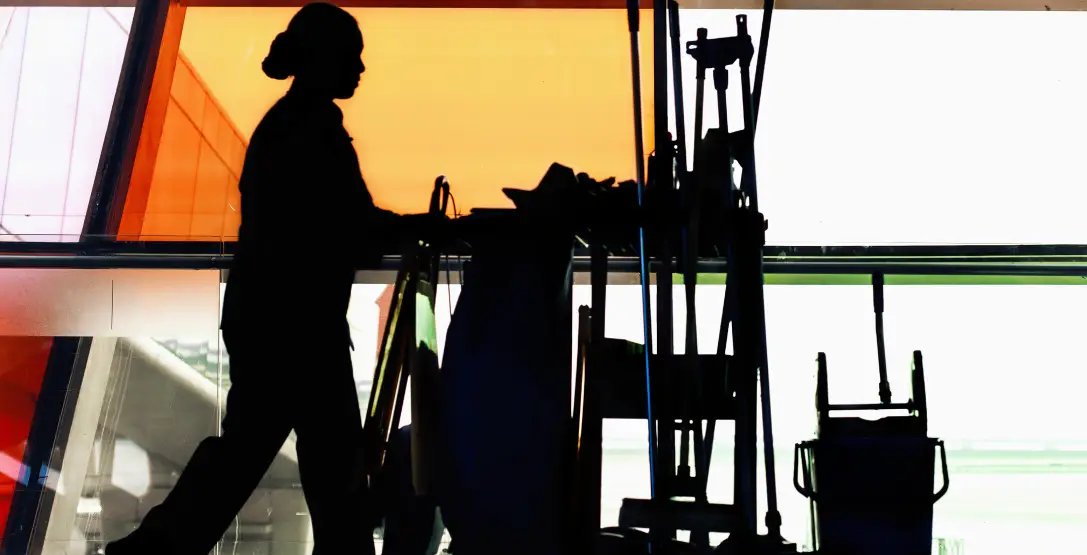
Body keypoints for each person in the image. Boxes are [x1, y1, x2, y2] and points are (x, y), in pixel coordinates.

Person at [107, 4, 431, 554]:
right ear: (323, 59)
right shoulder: (311, 130)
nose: (360, 68)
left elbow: (336, 221)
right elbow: (349, 224)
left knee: (263, 454)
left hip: (277, 319)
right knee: (320, 462)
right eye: (352, 55)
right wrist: (418, 230)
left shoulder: (293, 125)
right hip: (296, 326)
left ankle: (156, 547)